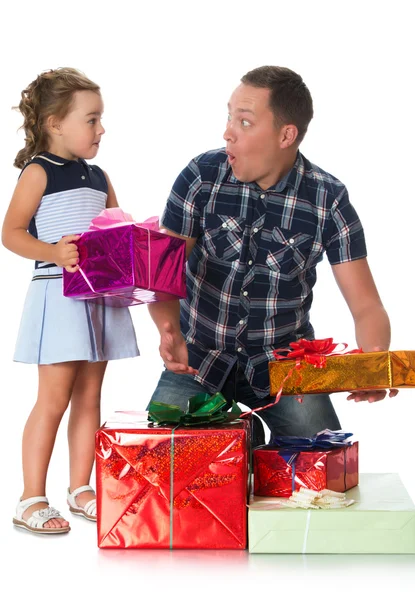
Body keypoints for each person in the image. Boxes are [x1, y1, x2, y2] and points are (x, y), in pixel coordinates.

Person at [148, 65, 397, 444]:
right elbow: (161, 272)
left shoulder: (328, 198)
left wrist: (375, 363)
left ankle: (254, 450)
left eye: (244, 122)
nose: (228, 131)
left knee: (322, 470)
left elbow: (366, 306)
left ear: (286, 135)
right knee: (162, 467)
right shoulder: (201, 175)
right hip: (198, 359)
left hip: (285, 367)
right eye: (229, 116)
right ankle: (245, 446)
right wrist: (168, 330)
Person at [2, 68, 139, 534]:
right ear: (55, 122)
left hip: (99, 296)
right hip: (59, 296)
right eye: (92, 120)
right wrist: (54, 253)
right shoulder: (38, 172)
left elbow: (116, 227)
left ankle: (80, 487)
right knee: (54, 399)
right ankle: (30, 497)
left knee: (89, 397)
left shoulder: (99, 175)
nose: (101, 130)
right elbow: (11, 233)